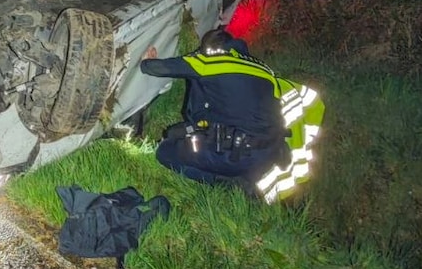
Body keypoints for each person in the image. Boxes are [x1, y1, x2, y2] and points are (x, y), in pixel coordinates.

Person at [139, 28, 325, 203]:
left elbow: (162, 68)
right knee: (183, 134)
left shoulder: (212, 62)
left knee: (165, 152)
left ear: (210, 50)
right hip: (266, 158)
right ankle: (246, 180)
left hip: (231, 153)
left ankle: (226, 183)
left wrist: (148, 61)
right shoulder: (266, 72)